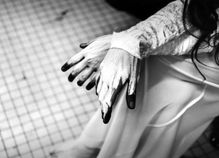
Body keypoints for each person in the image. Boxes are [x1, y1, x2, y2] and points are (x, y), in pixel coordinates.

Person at [56, 0, 219, 157]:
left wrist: (129, 42)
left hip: (203, 77)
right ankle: (90, 147)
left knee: (159, 130)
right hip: (174, 52)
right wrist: (130, 40)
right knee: (126, 105)